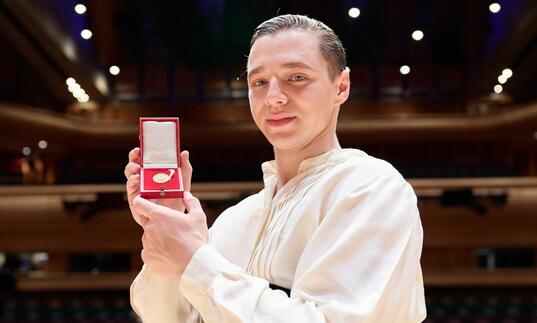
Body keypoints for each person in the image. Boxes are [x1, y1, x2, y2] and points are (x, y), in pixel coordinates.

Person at [124, 14, 426, 323]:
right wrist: (166, 227)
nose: (274, 98)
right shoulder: (232, 220)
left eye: (297, 77)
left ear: (341, 86)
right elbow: (165, 317)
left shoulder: (372, 188)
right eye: (259, 82)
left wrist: (196, 260)